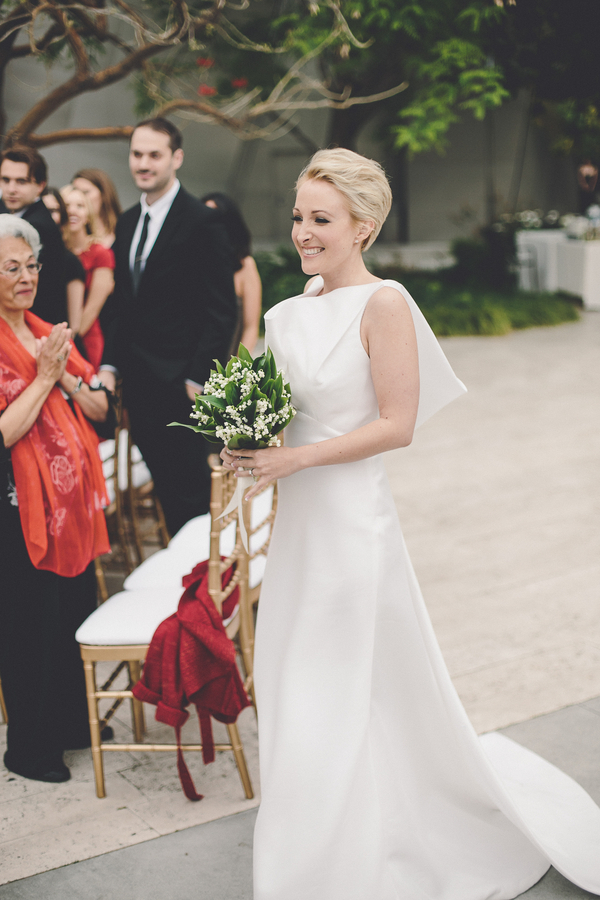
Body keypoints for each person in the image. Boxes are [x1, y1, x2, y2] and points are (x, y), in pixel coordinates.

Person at [221, 149, 600, 900]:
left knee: (348, 678)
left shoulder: (385, 304)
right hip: (298, 529)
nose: (302, 232)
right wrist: (248, 442)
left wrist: (297, 461)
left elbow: (398, 426)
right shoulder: (284, 314)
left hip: (354, 525)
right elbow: (278, 412)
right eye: (298, 216)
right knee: (296, 678)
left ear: (363, 227)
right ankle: (309, 845)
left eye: (320, 219)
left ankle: (360, 848)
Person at [0, 215, 111, 784]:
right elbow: (5, 430)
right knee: (29, 627)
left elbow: (98, 407)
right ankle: (30, 747)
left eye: (32, 265)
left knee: (71, 612)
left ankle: (70, 721)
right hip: (18, 512)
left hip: (69, 505)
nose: (26, 277)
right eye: (11, 267)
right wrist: (46, 377)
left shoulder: (44, 328)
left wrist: (68, 376)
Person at [99, 117, 237, 537]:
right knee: (164, 492)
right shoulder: (125, 223)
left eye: (154, 155)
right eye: (137, 154)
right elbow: (122, 305)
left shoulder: (202, 222)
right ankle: (181, 583)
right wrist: (108, 364)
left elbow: (222, 309)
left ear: (176, 158)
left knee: (192, 495)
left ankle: (206, 587)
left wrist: (198, 376)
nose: (143, 163)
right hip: (139, 388)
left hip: (182, 387)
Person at [0, 147, 67, 324]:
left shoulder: (37, 226)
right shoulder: (9, 209)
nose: (11, 189)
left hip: (36, 324)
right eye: (5, 180)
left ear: (40, 186)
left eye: (21, 181)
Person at [60, 184, 115, 370]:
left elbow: (92, 309)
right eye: (67, 205)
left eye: (80, 206)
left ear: (88, 215)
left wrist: (69, 341)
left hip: (85, 338)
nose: (72, 211)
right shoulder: (57, 252)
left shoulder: (101, 253)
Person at [200, 192, 261, 354]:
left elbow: (251, 328)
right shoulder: (192, 263)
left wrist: (236, 371)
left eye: (217, 216)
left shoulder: (245, 266)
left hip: (227, 366)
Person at [41, 187, 86, 334]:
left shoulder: (70, 261)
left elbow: (74, 326)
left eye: (53, 211)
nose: (46, 216)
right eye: (42, 210)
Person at [72, 167, 122, 249]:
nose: (80, 198)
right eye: (76, 192)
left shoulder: (125, 228)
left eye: (85, 192)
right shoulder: (72, 234)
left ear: (103, 194)